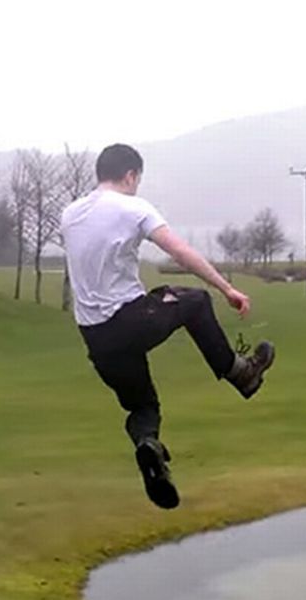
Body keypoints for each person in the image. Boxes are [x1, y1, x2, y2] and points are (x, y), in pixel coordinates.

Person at [61, 144, 275, 509]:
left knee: (144, 408)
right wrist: (226, 288)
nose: (136, 186)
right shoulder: (134, 208)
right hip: (129, 320)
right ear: (130, 175)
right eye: (137, 180)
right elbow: (180, 252)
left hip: (95, 337)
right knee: (195, 301)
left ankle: (149, 447)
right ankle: (242, 374)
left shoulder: (70, 214)